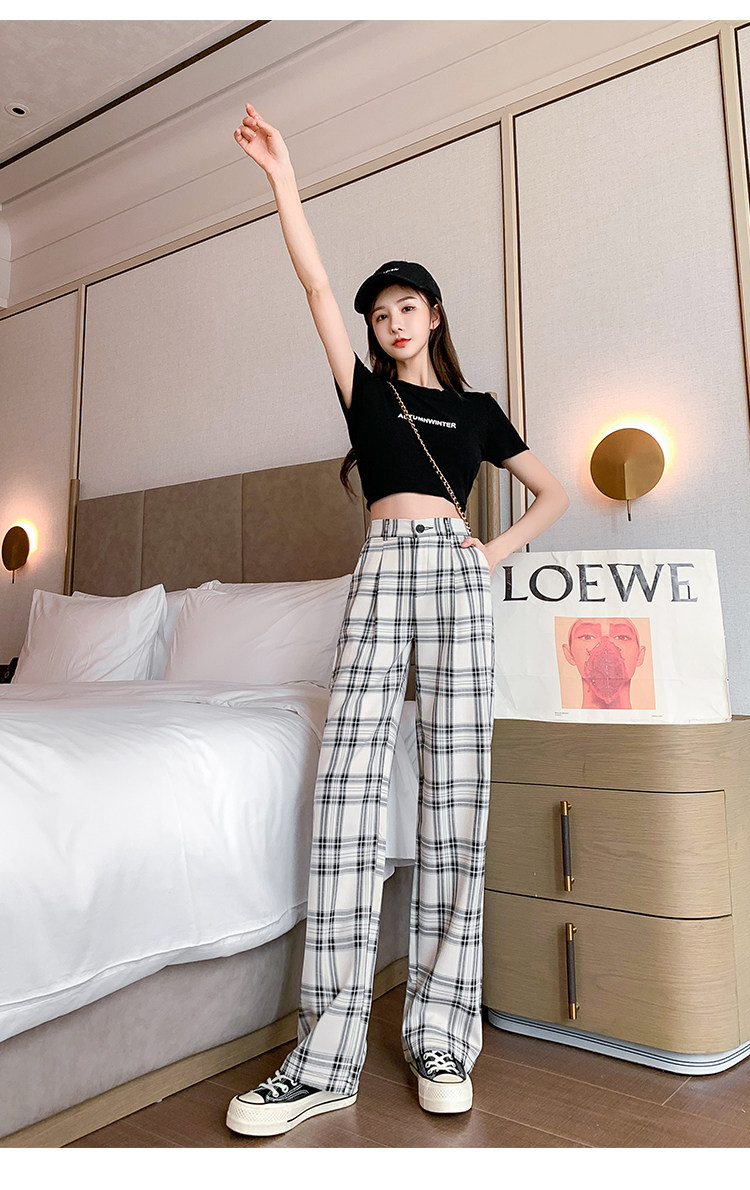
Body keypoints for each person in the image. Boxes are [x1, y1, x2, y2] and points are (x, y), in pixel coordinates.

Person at [225, 103, 570, 1139]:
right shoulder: (365, 397)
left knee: (458, 791)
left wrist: (489, 552)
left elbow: (554, 493)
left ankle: (440, 1034)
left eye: (406, 307)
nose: (391, 322)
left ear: (434, 316)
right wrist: (284, 180)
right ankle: (323, 1056)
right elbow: (313, 284)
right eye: (380, 314)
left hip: (456, 574)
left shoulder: (476, 410)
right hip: (381, 568)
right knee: (347, 789)